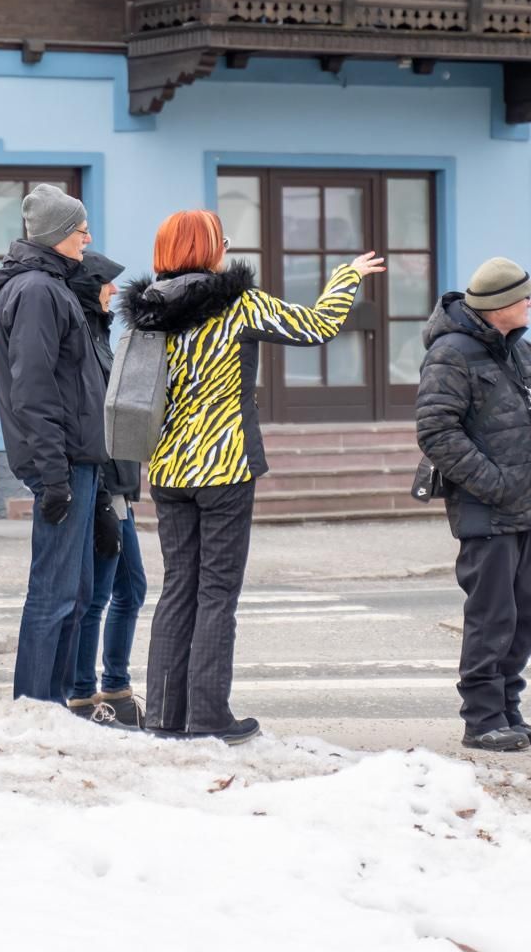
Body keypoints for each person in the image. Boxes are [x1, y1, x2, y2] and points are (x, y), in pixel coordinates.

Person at [120, 210, 383, 745]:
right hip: (224, 465)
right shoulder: (240, 304)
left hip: (168, 467)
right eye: (222, 240)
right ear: (208, 248)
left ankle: (165, 716)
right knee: (217, 592)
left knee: (178, 589)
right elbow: (318, 325)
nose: (228, 247)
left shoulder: (150, 310)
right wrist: (347, 277)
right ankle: (210, 716)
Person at [414, 257, 531, 754]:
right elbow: (436, 431)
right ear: (500, 305)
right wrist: (493, 483)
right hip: (488, 508)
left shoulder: (513, 348)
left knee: (527, 616)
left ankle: (507, 709)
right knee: (492, 616)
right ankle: (481, 719)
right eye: (524, 297)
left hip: (527, 503)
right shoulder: (451, 353)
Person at [0, 184, 106, 705]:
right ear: (59, 234)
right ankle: (35, 708)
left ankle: (54, 707)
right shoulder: (37, 291)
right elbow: (33, 389)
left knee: (74, 594)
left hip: (76, 459)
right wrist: (55, 475)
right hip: (61, 462)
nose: (87, 238)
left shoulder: (52, 285)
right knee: (53, 595)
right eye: (81, 230)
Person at [61, 251, 149, 728]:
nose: (114, 290)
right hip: (103, 486)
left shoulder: (100, 335)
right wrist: (101, 498)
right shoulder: (84, 340)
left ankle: (116, 688)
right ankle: (82, 695)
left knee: (131, 589)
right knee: (97, 596)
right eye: (106, 283)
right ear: (87, 287)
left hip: (119, 483)